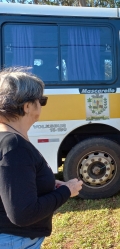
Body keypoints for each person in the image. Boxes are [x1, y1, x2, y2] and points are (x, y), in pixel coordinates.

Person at [0, 67, 83, 249]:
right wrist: (67, 190)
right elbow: (23, 214)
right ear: (27, 106)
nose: (42, 105)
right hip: (15, 241)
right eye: (41, 101)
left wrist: (48, 184)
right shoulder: (13, 145)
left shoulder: (8, 139)